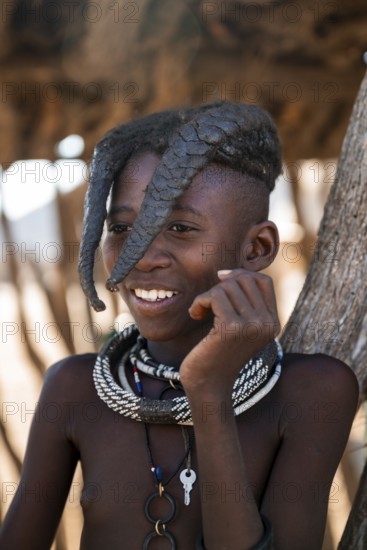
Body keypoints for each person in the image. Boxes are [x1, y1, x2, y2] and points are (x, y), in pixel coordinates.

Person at [0, 101, 358, 550]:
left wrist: (207, 391)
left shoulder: (312, 392)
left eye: (182, 228)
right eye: (123, 227)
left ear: (258, 248)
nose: (144, 256)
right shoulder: (74, 389)